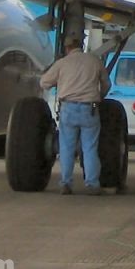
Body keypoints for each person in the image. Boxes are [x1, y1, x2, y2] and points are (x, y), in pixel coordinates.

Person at [39, 32, 110, 196]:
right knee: (90, 148)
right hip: (89, 108)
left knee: (66, 147)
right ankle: (92, 184)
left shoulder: (62, 63)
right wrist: (99, 97)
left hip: (68, 108)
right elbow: (106, 83)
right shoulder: (94, 61)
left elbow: (44, 83)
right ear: (80, 45)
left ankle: (65, 183)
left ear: (66, 47)